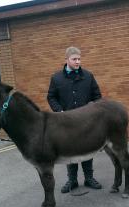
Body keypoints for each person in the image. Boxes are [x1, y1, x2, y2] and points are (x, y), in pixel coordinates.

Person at [47, 46, 103, 193]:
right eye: (74, 59)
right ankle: (72, 181)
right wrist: (59, 111)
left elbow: (97, 96)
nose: (78, 61)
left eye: (79, 59)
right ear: (66, 60)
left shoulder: (88, 76)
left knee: (87, 148)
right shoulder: (56, 78)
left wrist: (92, 107)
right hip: (66, 122)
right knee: (69, 150)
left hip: (86, 122)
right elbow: (51, 97)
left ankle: (89, 178)